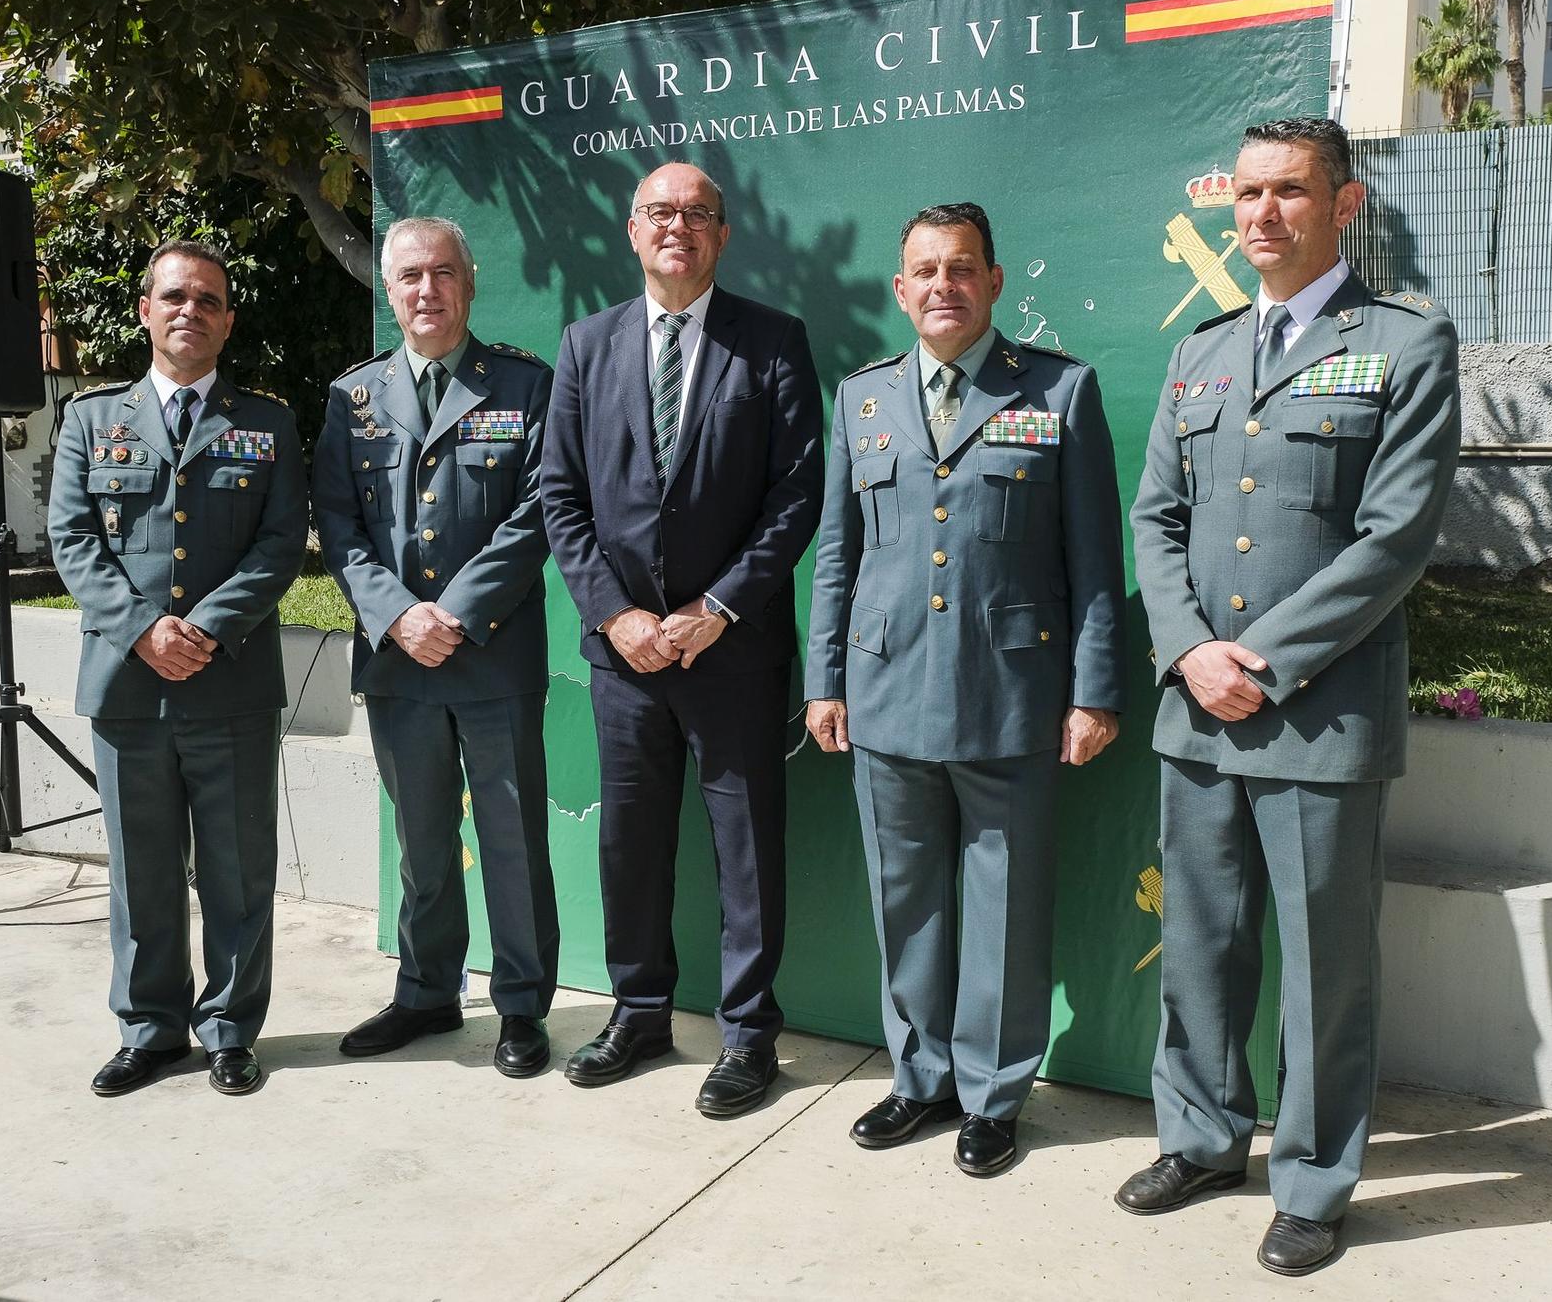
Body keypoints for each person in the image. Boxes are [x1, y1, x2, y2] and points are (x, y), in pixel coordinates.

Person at [1120, 116, 1461, 1274]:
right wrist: (1186, 652)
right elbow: (1153, 520)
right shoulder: (1199, 352)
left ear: (1343, 203)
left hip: (1318, 715)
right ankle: (1202, 1137)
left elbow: (1393, 536)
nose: (1261, 214)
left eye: (1290, 194)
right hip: (1195, 713)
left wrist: (1252, 659)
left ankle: (1311, 1179)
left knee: (1323, 971)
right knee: (1198, 947)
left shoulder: (1406, 345)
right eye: (1248, 194)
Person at [803, 202, 1128, 1176]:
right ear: (899, 289)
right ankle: (918, 1077)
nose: (941, 284)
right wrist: (824, 677)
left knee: (1002, 906)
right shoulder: (861, 398)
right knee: (905, 902)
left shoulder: (1059, 391)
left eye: (960, 268)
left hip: (1010, 696)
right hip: (884, 690)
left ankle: (991, 1092)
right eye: (922, 270)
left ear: (991, 282)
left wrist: (1093, 689)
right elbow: (835, 554)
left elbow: (1092, 561)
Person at [540, 161, 824, 1116]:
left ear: (722, 234)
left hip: (731, 651)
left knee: (745, 846)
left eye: (698, 214)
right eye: (661, 212)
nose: (678, 228)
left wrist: (719, 608)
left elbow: (796, 497)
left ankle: (748, 1035)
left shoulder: (774, 343)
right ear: (633, 230)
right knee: (630, 842)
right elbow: (561, 498)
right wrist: (616, 616)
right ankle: (640, 1010)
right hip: (623, 657)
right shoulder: (586, 345)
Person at [47, 240, 307, 1098]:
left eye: (207, 299)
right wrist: (142, 632)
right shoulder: (90, 420)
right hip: (127, 685)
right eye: (173, 296)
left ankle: (230, 1029)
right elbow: (74, 540)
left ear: (228, 320)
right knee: (142, 869)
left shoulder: (267, 423)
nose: (189, 310)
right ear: (145, 311)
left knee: (238, 869)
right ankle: (150, 1029)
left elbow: (278, 548)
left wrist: (201, 629)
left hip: (229, 681)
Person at [313, 217, 560, 1078]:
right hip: (397, 661)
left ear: (470, 282)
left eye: (443, 274)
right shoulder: (353, 398)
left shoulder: (527, 387)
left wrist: (450, 612)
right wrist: (397, 616)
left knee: (513, 840)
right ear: (390, 291)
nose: (428, 290)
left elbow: (538, 515)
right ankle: (426, 992)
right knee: (421, 840)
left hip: (490, 653)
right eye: (411, 276)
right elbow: (338, 524)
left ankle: (522, 1008)